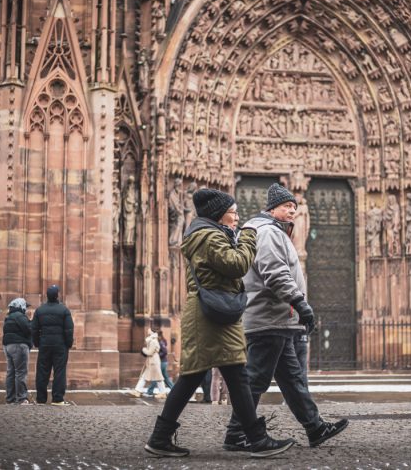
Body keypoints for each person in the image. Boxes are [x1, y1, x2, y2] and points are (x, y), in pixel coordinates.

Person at [144, 188, 294, 458]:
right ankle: (255, 438)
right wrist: (249, 238)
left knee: (231, 375)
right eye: (232, 212)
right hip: (210, 315)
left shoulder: (211, 234)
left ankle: (163, 437)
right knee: (207, 375)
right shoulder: (208, 236)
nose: (237, 217)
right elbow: (236, 265)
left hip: (214, 313)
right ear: (218, 214)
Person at [224, 183, 349, 451]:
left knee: (291, 379)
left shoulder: (274, 231)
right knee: (257, 378)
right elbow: (274, 272)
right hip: (268, 319)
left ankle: (314, 427)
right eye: (286, 207)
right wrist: (299, 303)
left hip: (278, 319)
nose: (292, 211)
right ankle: (236, 434)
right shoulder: (267, 232)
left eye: (294, 207)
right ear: (272, 209)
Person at [32, 284, 74, 405]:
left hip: (44, 345)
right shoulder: (64, 310)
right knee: (59, 371)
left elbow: (34, 329)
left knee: (42, 371)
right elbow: (69, 329)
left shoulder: (39, 310)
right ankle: (57, 398)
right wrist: (68, 344)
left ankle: (41, 398)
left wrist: (37, 343)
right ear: (57, 296)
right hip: (60, 345)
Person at [2, 298, 32, 405]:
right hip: (18, 346)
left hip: (7, 346)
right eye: (25, 306)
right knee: (20, 372)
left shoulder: (9, 317)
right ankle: (22, 398)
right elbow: (29, 329)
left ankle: (10, 398)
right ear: (20, 306)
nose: (26, 309)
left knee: (11, 372)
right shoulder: (19, 316)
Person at [132, 328, 167, 398]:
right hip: (152, 361)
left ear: (152, 331)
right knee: (145, 377)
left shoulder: (153, 341)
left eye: (149, 329)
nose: (147, 330)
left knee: (158, 377)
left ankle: (163, 393)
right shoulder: (151, 340)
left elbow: (150, 352)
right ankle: (137, 391)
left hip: (153, 362)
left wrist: (144, 349)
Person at [147, 329, 174, 396]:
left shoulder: (161, 342)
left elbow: (165, 352)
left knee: (156, 376)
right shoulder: (160, 341)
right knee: (165, 377)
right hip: (163, 362)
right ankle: (174, 390)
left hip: (162, 362)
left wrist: (157, 356)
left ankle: (150, 391)